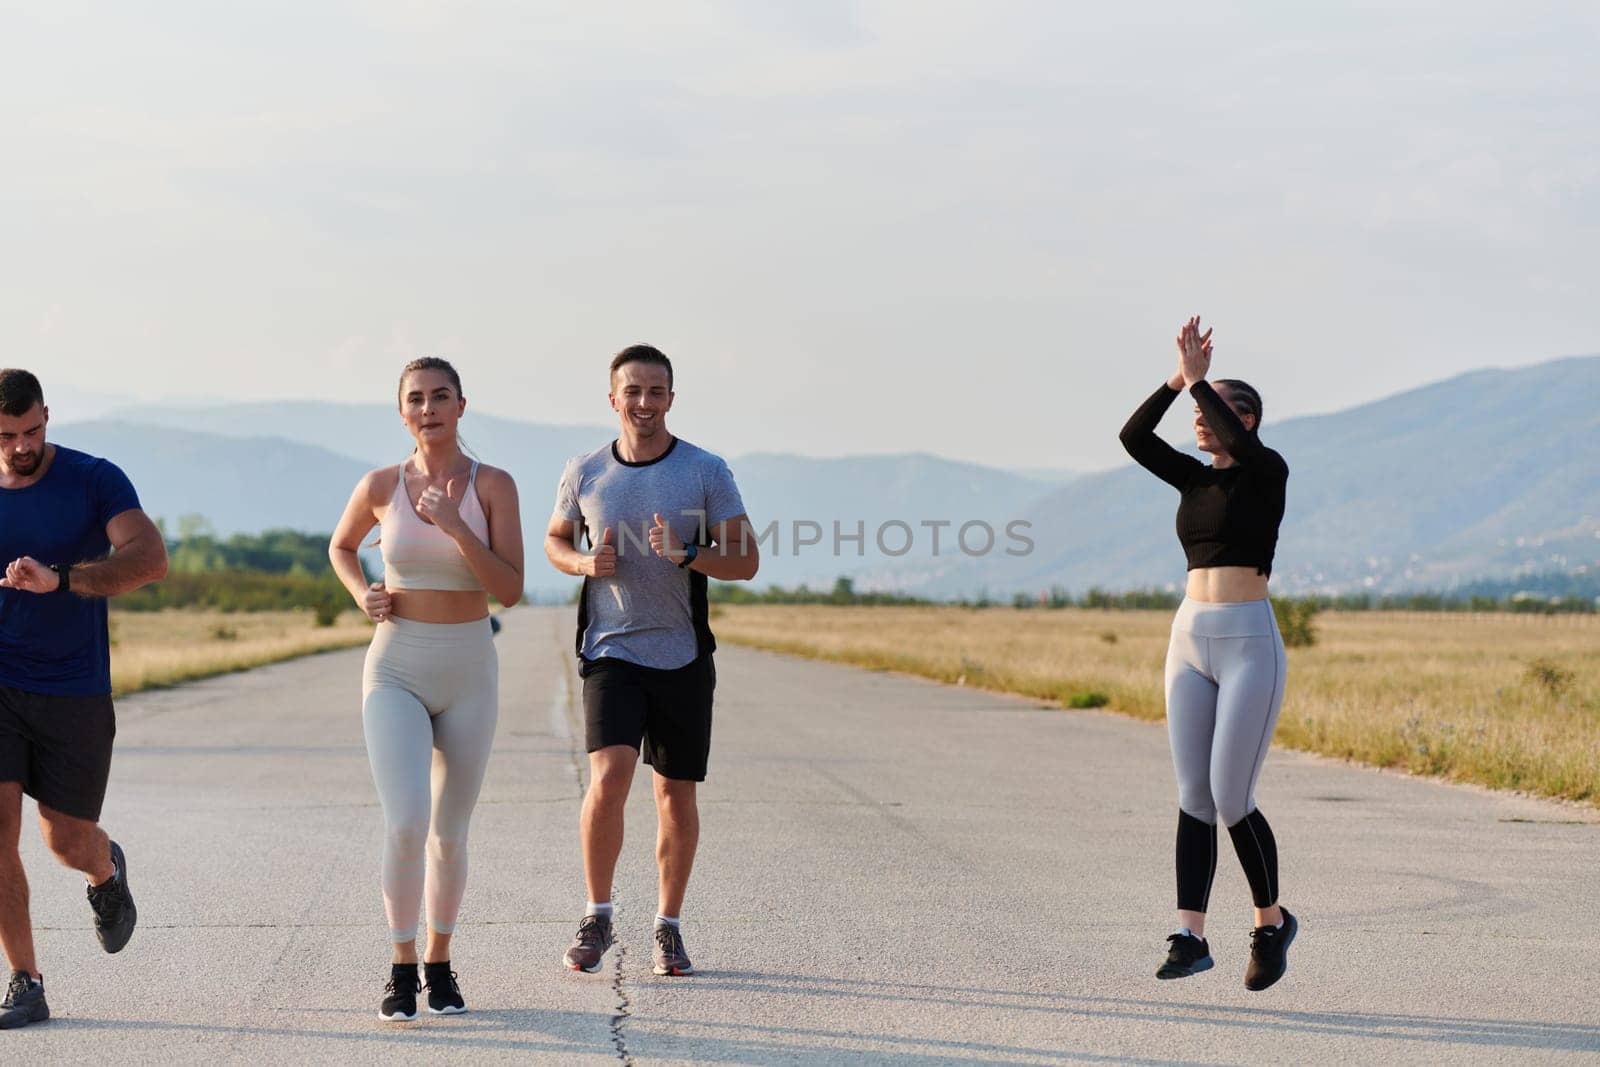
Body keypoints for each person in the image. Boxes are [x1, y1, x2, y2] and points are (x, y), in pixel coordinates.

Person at [545, 344, 758, 978]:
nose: (643, 402)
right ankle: (597, 914)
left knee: (674, 795)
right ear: (612, 398)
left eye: (655, 391)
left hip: (683, 654)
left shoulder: (705, 470)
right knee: (609, 777)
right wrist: (583, 563)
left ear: (671, 398)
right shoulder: (584, 470)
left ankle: (668, 926)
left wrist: (689, 553)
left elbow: (745, 561)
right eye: (631, 391)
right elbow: (556, 541)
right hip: (611, 650)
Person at [329, 358, 524, 1021]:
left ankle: (440, 962)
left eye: (441, 396)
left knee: (449, 830)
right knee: (406, 820)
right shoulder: (381, 484)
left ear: (462, 406)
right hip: (396, 668)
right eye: (417, 398)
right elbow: (341, 546)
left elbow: (510, 589)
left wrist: (459, 526)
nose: (429, 407)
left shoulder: (492, 484)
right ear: (402, 411)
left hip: (470, 667)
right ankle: (401, 964)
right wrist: (364, 592)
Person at [1118, 317, 1296, 991]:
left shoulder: (1266, 471)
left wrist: (1201, 384)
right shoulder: (1193, 481)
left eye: (1213, 406)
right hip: (1190, 636)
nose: (1198, 414)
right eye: (1198, 404)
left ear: (1245, 421)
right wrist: (1177, 380)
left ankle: (1270, 922)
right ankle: (1190, 934)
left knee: (1231, 793)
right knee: (1193, 794)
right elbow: (1133, 437)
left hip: (1250, 639)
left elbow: (1240, 441)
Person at [0, 369, 168, 1029]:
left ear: (48, 416)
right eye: (8, 435)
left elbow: (149, 558)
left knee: (66, 841)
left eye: (32, 430)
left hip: (73, 689)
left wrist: (61, 578)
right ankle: (26, 978)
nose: (21, 445)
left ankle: (105, 870)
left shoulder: (94, 478)